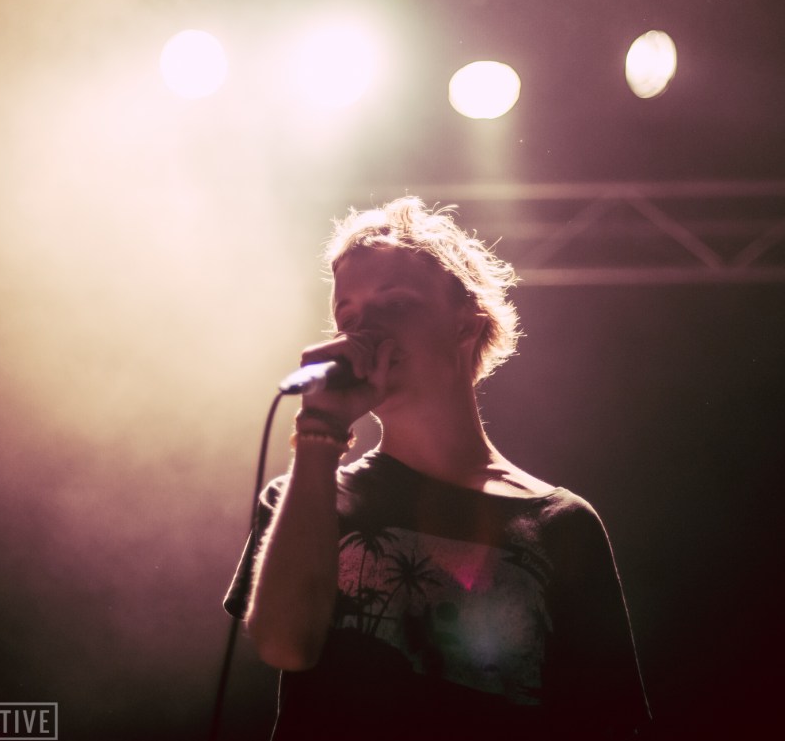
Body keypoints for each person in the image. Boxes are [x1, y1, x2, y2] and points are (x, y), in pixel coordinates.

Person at [224, 197, 650, 740]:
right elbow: (284, 645)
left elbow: (611, 723)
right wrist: (319, 431)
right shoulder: (307, 499)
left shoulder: (561, 524)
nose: (363, 330)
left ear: (465, 326)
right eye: (348, 316)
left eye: (394, 305)